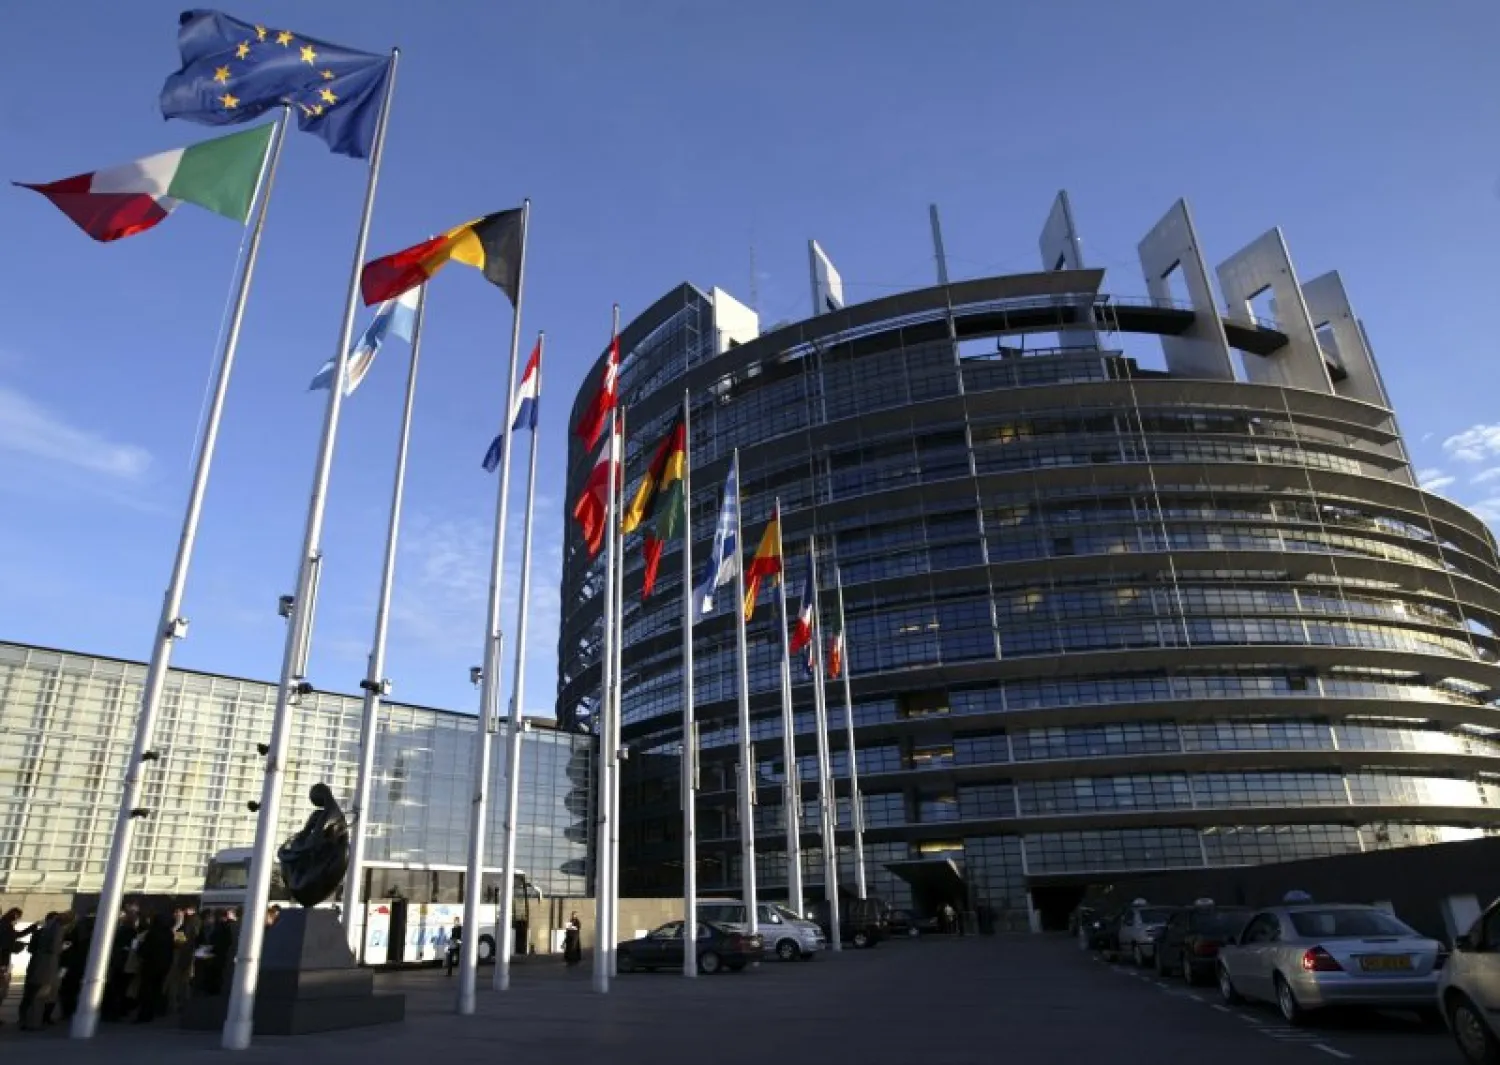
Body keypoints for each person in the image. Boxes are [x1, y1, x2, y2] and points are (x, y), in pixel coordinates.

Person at [19, 911, 67, 1031]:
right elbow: (55, 949)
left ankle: (25, 1018)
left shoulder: (40, 932)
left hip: (36, 964)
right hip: (49, 967)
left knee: (31, 992)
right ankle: (40, 1019)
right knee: (43, 993)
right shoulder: (56, 932)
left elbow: (30, 949)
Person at [134, 912, 174, 1023]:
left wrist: (140, 951)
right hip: (163, 966)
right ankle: (153, 1012)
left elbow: (145, 949)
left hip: (150, 965)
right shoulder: (169, 933)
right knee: (157, 989)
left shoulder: (152, 933)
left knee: (146, 990)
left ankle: (144, 1014)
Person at [0, 909, 37, 1025]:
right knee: (2, 990)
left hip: (3, 962)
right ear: (15, 916)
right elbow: (6, 945)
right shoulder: (5, 926)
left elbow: (15, 936)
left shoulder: (4, 925)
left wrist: (31, 928)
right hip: (2, 963)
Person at [58, 912, 93, 1019]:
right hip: (74, 965)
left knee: (65, 986)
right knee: (71, 988)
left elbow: (65, 947)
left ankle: (66, 1010)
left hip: (66, 964)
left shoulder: (67, 932)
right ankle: (69, 1010)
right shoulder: (80, 932)